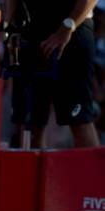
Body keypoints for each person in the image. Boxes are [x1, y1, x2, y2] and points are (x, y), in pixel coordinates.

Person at [7, 0, 101, 148]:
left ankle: (92, 171)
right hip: (30, 33)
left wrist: (67, 27)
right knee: (30, 123)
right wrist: (11, 30)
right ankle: (32, 170)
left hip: (72, 31)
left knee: (79, 119)